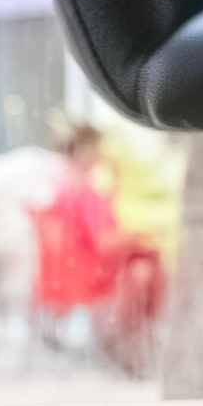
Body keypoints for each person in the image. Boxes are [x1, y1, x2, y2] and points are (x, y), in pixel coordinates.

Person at [28, 120, 166, 375]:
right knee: (147, 268)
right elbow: (104, 241)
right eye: (99, 150)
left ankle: (129, 349)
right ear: (86, 151)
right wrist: (141, 235)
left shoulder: (62, 189)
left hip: (61, 277)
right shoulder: (83, 194)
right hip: (89, 278)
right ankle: (132, 350)